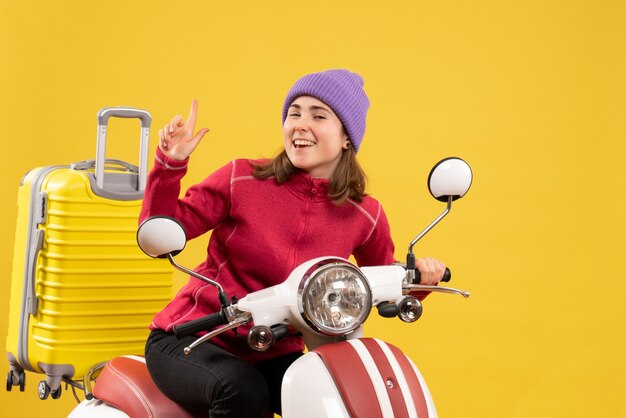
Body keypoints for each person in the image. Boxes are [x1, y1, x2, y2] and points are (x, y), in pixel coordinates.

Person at [140, 69, 447, 417]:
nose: (300, 124)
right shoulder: (241, 178)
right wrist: (171, 164)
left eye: (318, 115)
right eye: (294, 113)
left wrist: (420, 279)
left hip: (273, 349)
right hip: (192, 340)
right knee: (242, 389)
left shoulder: (365, 213)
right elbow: (163, 228)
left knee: (337, 392)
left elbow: (382, 279)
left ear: (347, 137)